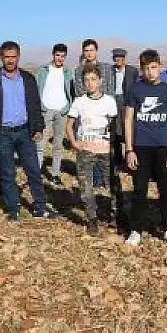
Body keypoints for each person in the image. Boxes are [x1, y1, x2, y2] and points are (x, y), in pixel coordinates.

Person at [0, 41, 59, 221]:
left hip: (25, 132)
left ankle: (40, 208)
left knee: (33, 171)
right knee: (8, 172)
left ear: (18, 57)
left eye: (13, 56)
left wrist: (38, 127)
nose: (10, 60)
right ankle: (12, 209)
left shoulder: (28, 79)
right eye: (6, 57)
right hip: (3, 133)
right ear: (1, 58)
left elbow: (35, 105)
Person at [124, 49, 167, 246]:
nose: (150, 72)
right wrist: (129, 149)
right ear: (142, 69)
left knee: (165, 190)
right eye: (146, 68)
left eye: (154, 68)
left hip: (163, 147)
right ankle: (136, 229)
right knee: (140, 190)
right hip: (141, 147)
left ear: (160, 67)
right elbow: (128, 119)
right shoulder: (135, 90)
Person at [67, 64, 118, 236]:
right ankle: (92, 219)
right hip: (85, 151)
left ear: (100, 81)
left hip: (105, 151)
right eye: (86, 80)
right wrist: (74, 143)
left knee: (113, 184)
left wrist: (114, 146)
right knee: (86, 187)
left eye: (93, 79)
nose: (90, 83)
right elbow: (69, 125)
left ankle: (117, 216)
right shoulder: (79, 102)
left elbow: (114, 126)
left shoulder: (109, 101)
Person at [36, 44, 72, 185]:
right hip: (45, 111)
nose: (60, 58)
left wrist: (67, 107)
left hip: (61, 112)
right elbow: (37, 88)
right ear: (53, 55)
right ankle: (37, 173)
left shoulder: (68, 72)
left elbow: (71, 91)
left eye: (63, 56)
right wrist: (41, 106)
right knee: (40, 144)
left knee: (58, 145)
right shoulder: (43, 70)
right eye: (58, 55)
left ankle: (55, 174)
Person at [109, 48, 140, 189]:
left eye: (120, 57)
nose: (118, 60)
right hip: (113, 101)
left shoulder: (132, 71)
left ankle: (131, 161)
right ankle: (117, 161)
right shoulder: (110, 71)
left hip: (128, 102)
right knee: (114, 131)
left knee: (129, 130)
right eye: (116, 57)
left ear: (125, 58)